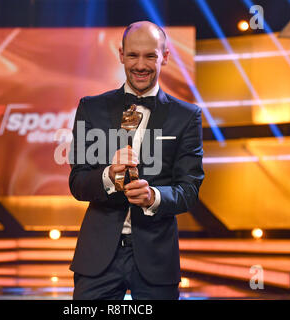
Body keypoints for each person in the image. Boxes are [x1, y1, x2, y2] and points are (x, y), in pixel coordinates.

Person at [68, 21, 204, 300]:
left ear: (164, 57)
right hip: (98, 259)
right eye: (133, 55)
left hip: (156, 258)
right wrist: (108, 176)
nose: (140, 65)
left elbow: (189, 190)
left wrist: (153, 196)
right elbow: (78, 182)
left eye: (150, 55)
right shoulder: (91, 108)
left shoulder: (187, 116)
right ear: (121, 55)